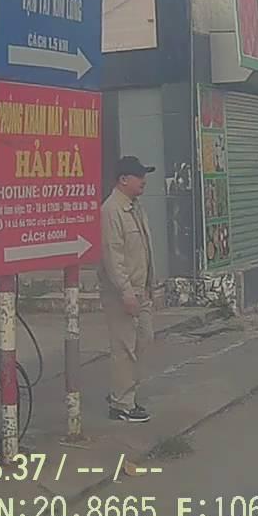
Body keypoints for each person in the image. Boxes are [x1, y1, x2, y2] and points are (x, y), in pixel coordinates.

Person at [99, 156, 158, 423]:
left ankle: (121, 391)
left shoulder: (135, 208)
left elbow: (143, 250)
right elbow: (113, 256)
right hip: (122, 293)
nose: (144, 181)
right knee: (124, 347)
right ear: (123, 179)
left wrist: (149, 286)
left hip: (140, 289)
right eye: (139, 176)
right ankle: (121, 404)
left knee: (144, 340)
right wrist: (125, 291)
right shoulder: (111, 211)